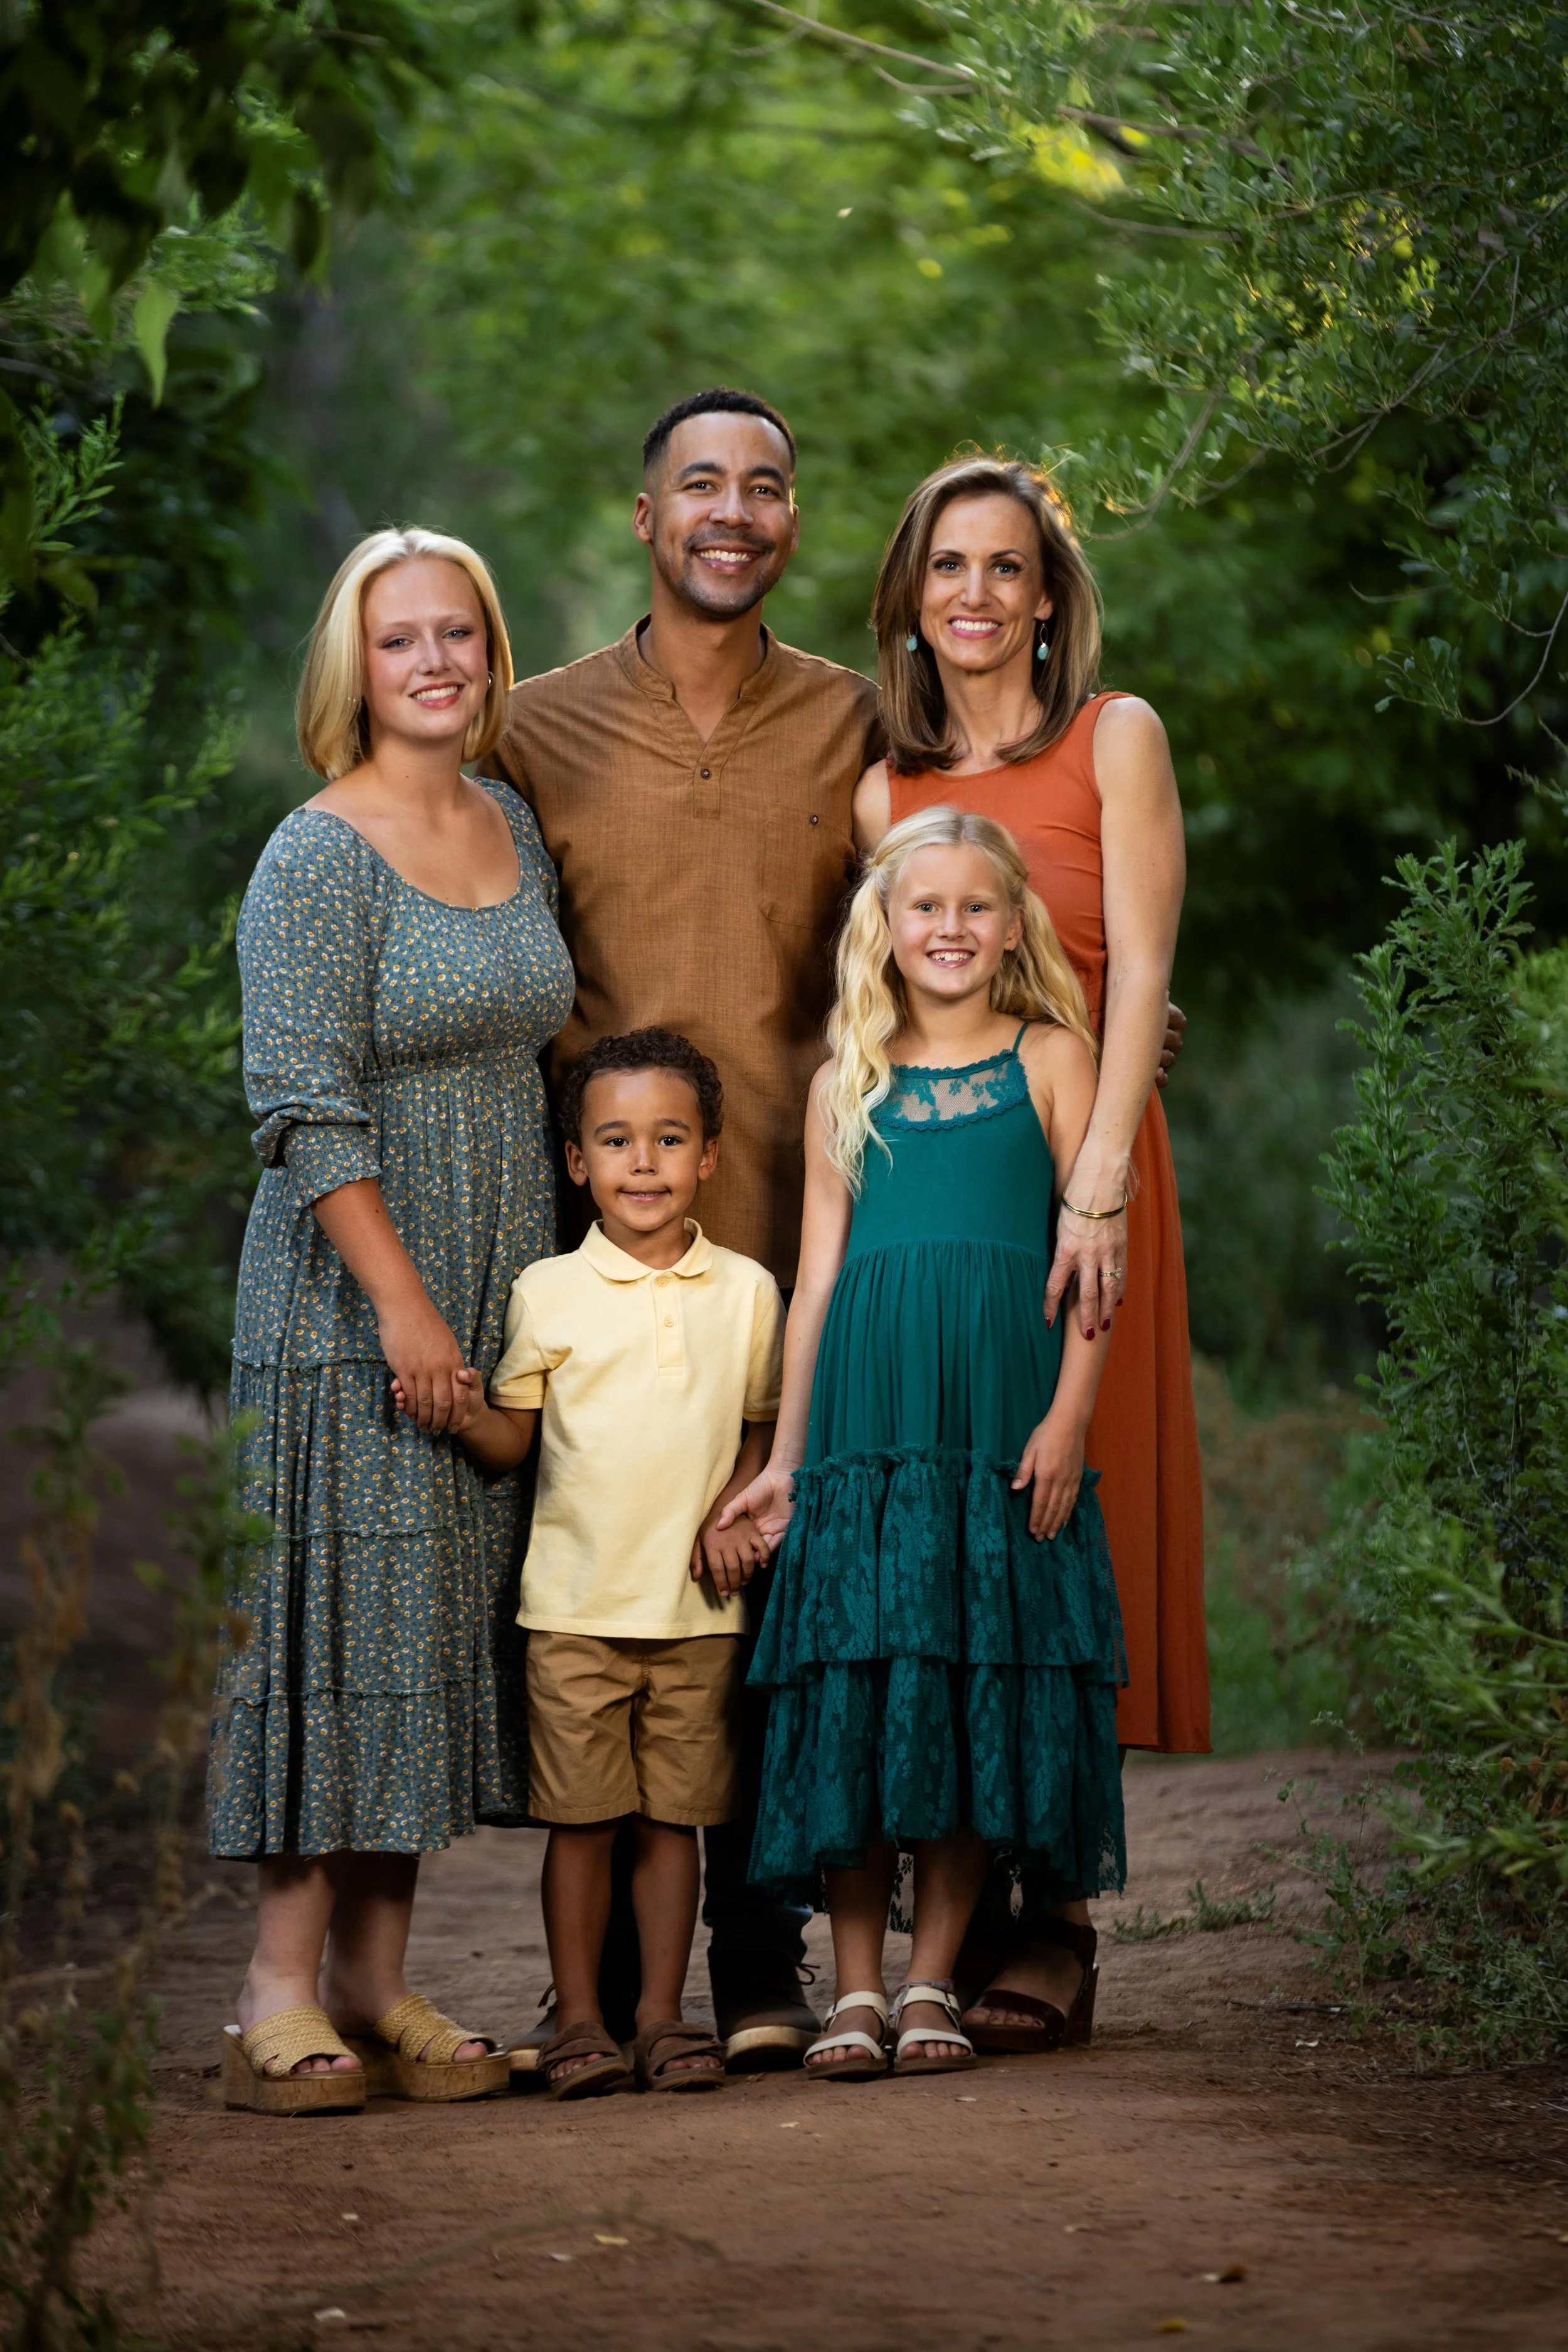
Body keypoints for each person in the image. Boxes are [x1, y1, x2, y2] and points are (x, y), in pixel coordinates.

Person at [486, 386, 884, 2067]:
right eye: (700, 483)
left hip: (807, 1234)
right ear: (645, 517)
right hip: (602, 1256)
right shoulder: (535, 729)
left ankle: (757, 1951)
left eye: (765, 485)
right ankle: (590, 1989)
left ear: (791, 521)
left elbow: (966, 897)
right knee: (611, 1596)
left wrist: (1107, 1010)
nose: (734, 509)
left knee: (770, 1597)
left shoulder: (855, 719)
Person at [209, 528, 574, 2114]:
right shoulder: (315, 852)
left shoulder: (507, 818)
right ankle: (274, 1987)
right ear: (350, 667)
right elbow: (300, 1102)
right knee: (333, 1616)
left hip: (494, 1266)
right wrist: (407, 1311)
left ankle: (375, 1974)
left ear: (490, 652)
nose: (434, 660)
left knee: (424, 1622)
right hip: (353, 1292)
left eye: (458, 633)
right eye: (400, 637)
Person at [854, 455, 1208, 2050]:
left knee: (1073, 1515)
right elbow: (890, 993)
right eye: (948, 566)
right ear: (909, 594)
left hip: (1090, 1173)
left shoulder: (1112, 736)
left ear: (1050, 596)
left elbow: (1136, 966)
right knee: (964, 1520)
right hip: (948, 1197)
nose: (975, 594)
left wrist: (1101, 1177)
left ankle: (1056, 1911)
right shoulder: (884, 789)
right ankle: (969, 1894)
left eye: (1006, 567)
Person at [723, 809, 1126, 2079]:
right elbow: (816, 1282)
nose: (949, 928)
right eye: (925, 906)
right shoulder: (844, 1075)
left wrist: (1068, 1414)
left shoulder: (1053, 1057)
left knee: (965, 1682)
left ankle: (930, 1978)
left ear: (1012, 926)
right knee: (861, 1684)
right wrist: (786, 1461)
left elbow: (1095, 1259)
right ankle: (852, 1987)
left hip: (998, 1420)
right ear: (885, 928)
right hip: (869, 1426)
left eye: (974, 906)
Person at [430, 1029, 784, 2097]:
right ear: (577, 1161)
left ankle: (662, 2018)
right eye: (617, 1141)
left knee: (673, 1825)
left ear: (708, 1157)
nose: (643, 1162)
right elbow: (515, 1439)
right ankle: (580, 2020)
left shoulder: (748, 1291)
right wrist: (462, 1412)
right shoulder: (547, 1290)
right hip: (574, 1611)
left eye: (669, 1140)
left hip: (699, 1615)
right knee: (582, 1828)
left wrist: (736, 1508)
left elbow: (763, 1427)